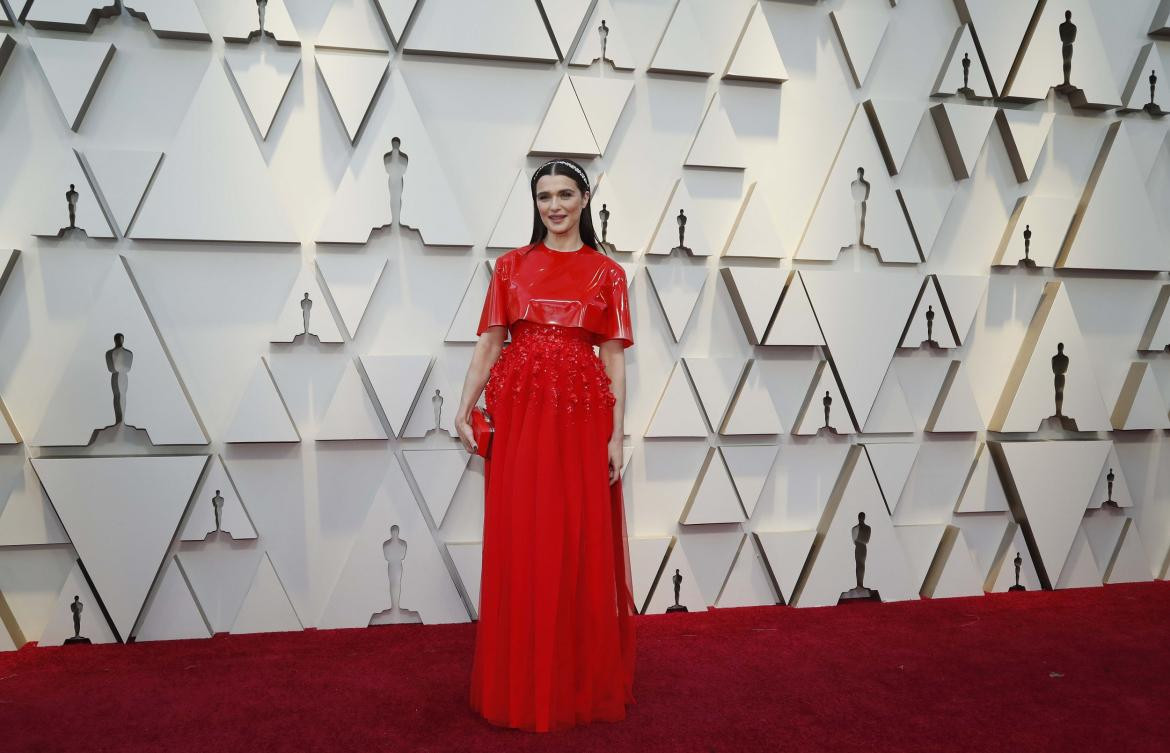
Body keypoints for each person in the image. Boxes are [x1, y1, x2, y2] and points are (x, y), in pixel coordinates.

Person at [457, 157, 636, 733]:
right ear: (534, 206)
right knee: (523, 534)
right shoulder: (510, 267)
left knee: (574, 536)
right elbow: (489, 345)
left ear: (585, 199)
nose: (554, 206)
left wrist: (616, 434)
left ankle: (573, 678)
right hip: (521, 411)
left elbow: (613, 360)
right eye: (543, 197)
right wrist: (465, 404)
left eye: (564, 194)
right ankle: (522, 677)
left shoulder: (607, 274)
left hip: (580, 415)